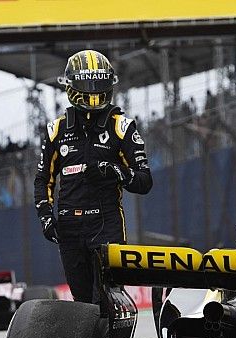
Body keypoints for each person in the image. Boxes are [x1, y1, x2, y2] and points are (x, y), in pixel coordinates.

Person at [34, 50, 153, 303]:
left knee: (109, 299)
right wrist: (46, 216)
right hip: (69, 228)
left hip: (106, 223)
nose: (94, 92)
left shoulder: (121, 126)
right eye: (88, 85)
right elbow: (43, 180)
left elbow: (144, 181)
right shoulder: (57, 130)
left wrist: (116, 172)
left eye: (99, 84)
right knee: (83, 305)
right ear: (72, 86)